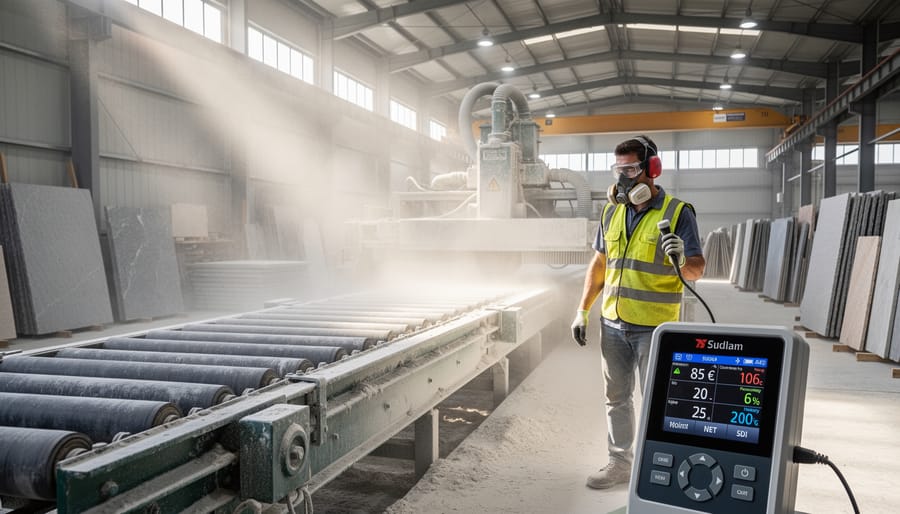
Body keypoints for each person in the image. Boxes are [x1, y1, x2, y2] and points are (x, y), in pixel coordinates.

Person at [571, 135, 705, 489]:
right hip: (613, 323)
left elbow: (696, 271)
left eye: (631, 169)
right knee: (616, 399)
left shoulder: (678, 212)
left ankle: (662, 469)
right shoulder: (611, 210)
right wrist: (582, 310)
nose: (624, 179)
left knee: (658, 401)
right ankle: (619, 464)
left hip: (655, 328)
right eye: (619, 170)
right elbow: (600, 264)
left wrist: (681, 258)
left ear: (652, 170)